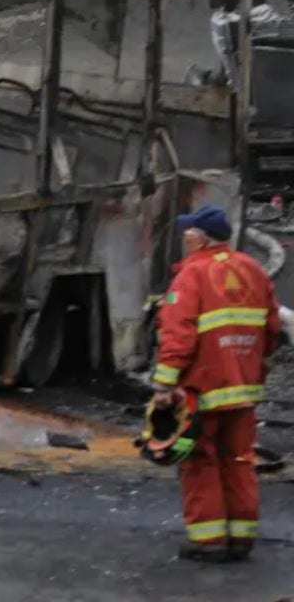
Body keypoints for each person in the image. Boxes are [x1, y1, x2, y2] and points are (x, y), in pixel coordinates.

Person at [152, 205, 283, 563]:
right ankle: (241, 539)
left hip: (201, 389)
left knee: (199, 460)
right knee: (239, 459)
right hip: (243, 388)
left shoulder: (191, 276)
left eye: (187, 234)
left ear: (198, 237)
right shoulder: (253, 270)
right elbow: (272, 330)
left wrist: (165, 385)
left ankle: (208, 541)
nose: (185, 239)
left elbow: (178, 337)